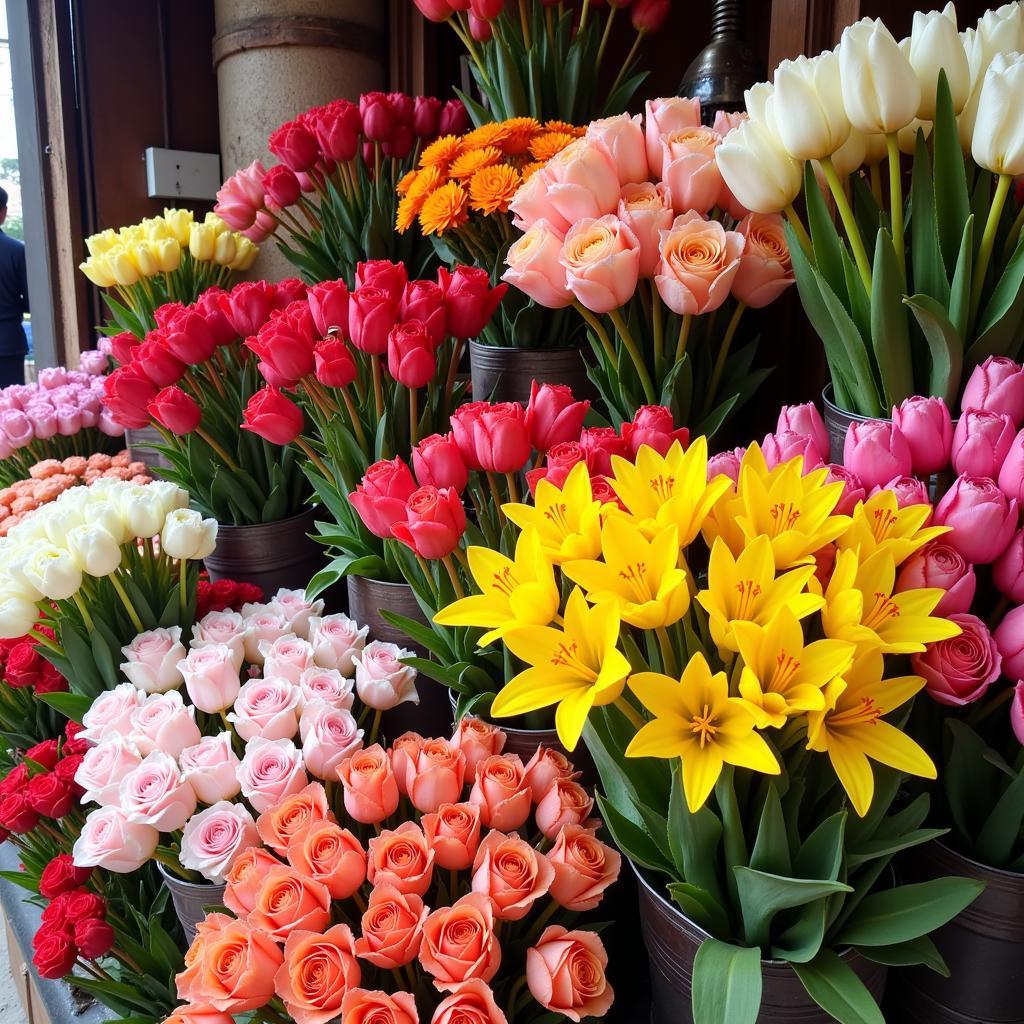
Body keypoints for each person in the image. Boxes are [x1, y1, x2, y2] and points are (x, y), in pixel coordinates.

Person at [0, 186, 28, 387]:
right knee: (10, 409)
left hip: (9, 342)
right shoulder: (16, 250)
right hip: (8, 342)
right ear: (3, 212)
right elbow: (30, 302)